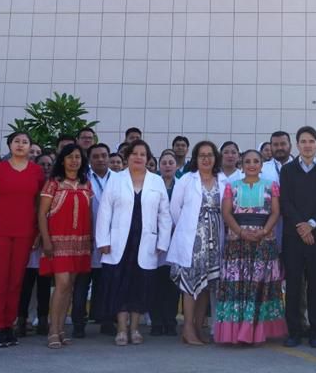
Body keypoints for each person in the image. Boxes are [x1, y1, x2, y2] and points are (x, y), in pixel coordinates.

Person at [95, 139, 173, 345]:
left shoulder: (156, 181)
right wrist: (102, 240)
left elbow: (164, 214)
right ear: (127, 157)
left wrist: (163, 243)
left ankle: (135, 328)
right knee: (119, 284)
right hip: (119, 243)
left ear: (148, 159)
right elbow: (104, 211)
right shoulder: (116, 179)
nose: (138, 157)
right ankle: (121, 328)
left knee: (141, 284)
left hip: (146, 243)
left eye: (143, 154)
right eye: (134, 153)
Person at [215, 150, 286, 344]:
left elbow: (276, 212)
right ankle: (236, 331)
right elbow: (227, 213)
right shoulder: (232, 186)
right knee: (238, 287)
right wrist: (241, 232)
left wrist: (263, 231)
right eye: (247, 161)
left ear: (262, 165)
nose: (252, 164)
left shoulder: (272, 186)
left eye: (256, 161)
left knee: (258, 287)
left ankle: (256, 331)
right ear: (241, 164)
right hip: (237, 244)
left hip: (264, 242)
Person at [0, 131, 46, 348]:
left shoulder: (37, 171)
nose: (20, 145)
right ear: (10, 145)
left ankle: (9, 325)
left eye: (25, 142)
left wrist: (37, 231)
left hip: (25, 233)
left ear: (30, 147)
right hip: (0, 232)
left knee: (16, 281)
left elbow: (39, 205)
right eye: (17, 141)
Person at [279, 125, 316, 349]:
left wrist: (311, 225)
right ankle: (294, 331)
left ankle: (315, 332)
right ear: (297, 145)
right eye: (303, 141)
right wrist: (301, 227)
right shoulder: (288, 170)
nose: (308, 145)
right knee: (293, 285)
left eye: (311, 141)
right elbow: (286, 202)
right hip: (293, 236)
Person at [38, 142, 94, 349]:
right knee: (61, 284)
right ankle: (53, 330)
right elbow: (42, 214)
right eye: (70, 157)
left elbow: (89, 213)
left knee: (70, 286)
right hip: (58, 241)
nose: (74, 160)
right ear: (63, 160)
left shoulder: (85, 184)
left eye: (78, 157)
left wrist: (91, 237)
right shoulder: (54, 183)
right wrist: (45, 239)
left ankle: (61, 329)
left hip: (79, 241)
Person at [169, 141, 224, 345]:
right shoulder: (186, 180)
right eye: (202, 155)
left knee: (207, 285)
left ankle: (199, 328)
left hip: (216, 240)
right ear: (196, 158)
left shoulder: (222, 180)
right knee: (191, 285)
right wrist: (187, 228)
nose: (206, 159)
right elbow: (175, 209)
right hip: (192, 240)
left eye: (210, 154)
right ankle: (188, 329)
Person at [73, 142, 113, 338]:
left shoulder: (119, 179)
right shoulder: (81, 179)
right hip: (85, 239)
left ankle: (107, 321)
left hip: (111, 241)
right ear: (89, 160)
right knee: (81, 284)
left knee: (107, 284)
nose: (100, 159)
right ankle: (78, 324)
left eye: (103, 155)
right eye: (96, 156)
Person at [151, 151, 181, 336]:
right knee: (155, 284)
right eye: (164, 162)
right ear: (159, 165)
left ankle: (170, 321)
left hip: (175, 239)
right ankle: (156, 322)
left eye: (171, 162)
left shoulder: (182, 185)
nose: (168, 165)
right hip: (154, 240)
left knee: (172, 284)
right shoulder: (152, 184)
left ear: (176, 166)